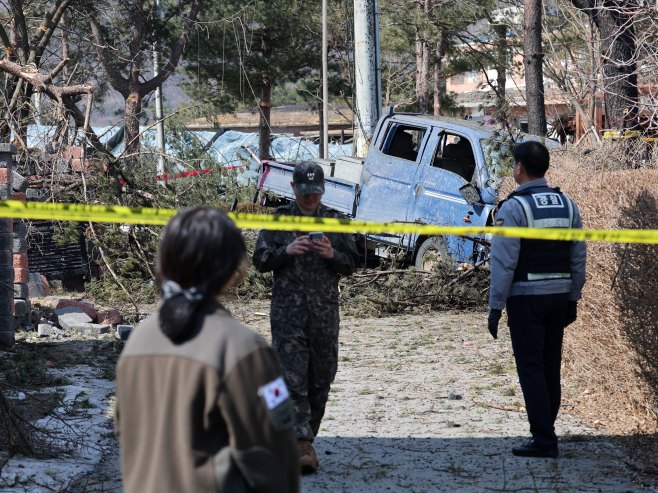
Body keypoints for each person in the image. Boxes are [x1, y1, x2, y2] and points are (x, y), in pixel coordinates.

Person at [115, 206, 299, 493]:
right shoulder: (244, 349)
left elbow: (125, 433)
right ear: (232, 269)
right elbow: (276, 460)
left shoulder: (137, 342)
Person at [253, 161, 359, 474]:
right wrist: (287, 250)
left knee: (322, 378)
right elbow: (260, 260)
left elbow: (353, 263)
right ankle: (299, 443)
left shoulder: (336, 221)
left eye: (315, 192)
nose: (310, 197)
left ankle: (304, 438)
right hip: (288, 313)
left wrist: (332, 255)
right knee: (292, 378)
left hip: (325, 314)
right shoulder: (280, 220)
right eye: (304, 191)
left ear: (322, 189)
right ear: (293, 188)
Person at [488, 141, 586, 459]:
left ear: (519, 168)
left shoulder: (513, 208)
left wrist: (495, 306)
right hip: (559, 298)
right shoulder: (568, 205)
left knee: (530, 368)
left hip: (526, 299)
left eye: (514, 164)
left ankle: (544, 439)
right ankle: (546, 431)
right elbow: (578, 256)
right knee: (549, 367)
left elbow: (504, 262)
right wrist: (574, 297)